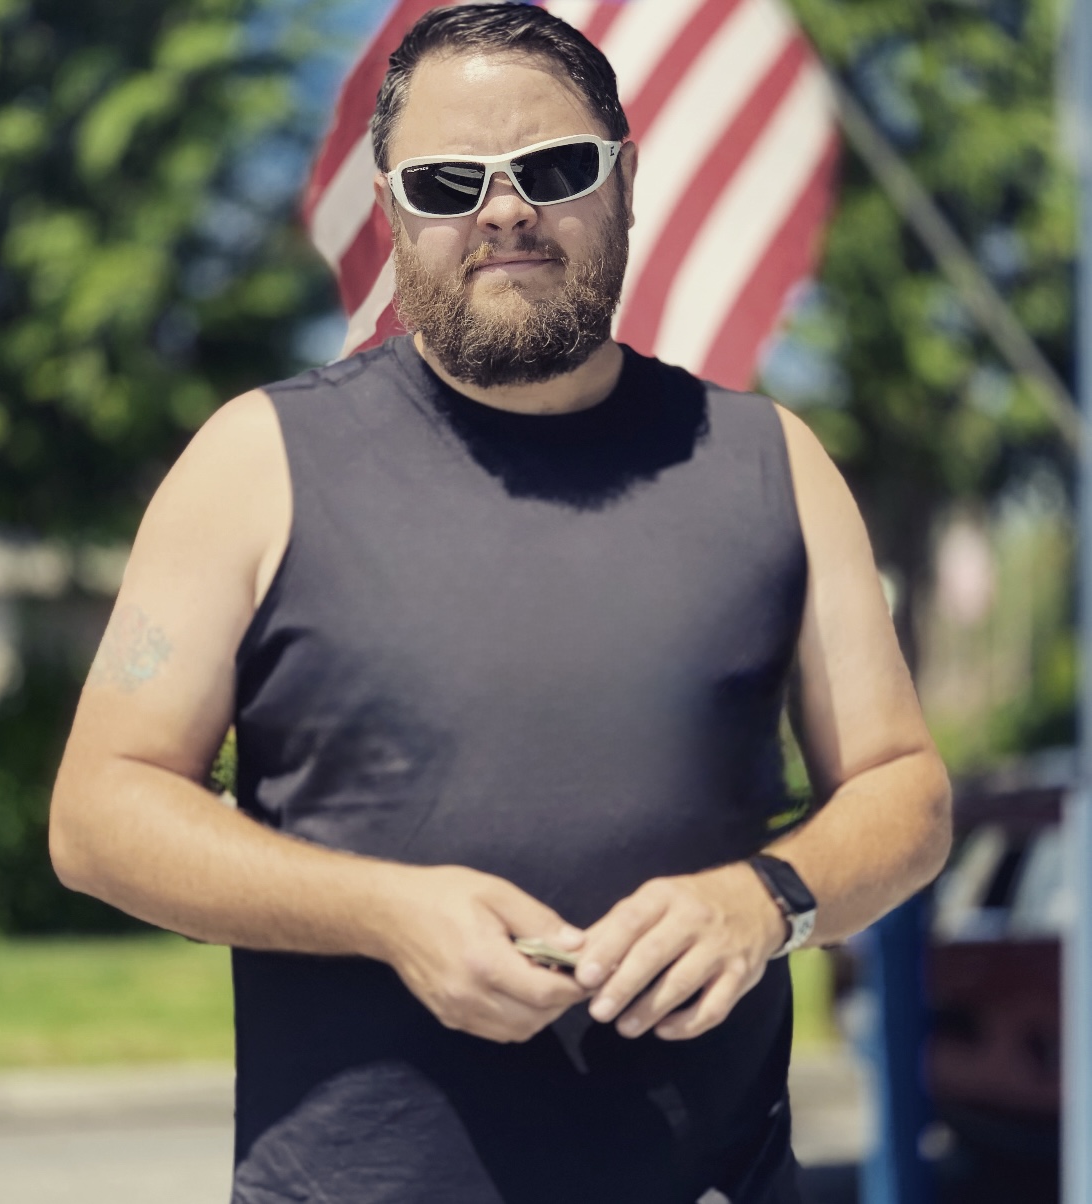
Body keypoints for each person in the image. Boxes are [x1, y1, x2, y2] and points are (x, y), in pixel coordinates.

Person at [49, 5, 952, 1202]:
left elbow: (906, 790)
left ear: (625, 184)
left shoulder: (771, 462)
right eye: (449, 182)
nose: (506, 209)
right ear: (391, 211)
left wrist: (766, 901)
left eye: (556, 168)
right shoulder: (256, 462)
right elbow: (99, 814)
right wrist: (385, 913)